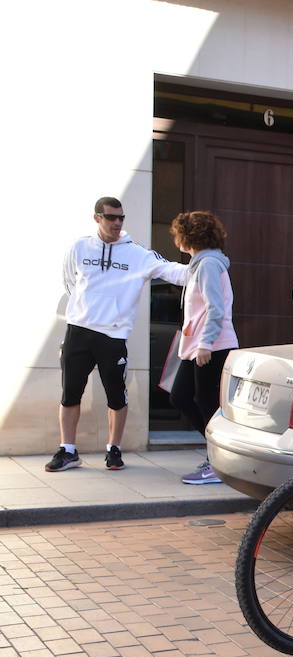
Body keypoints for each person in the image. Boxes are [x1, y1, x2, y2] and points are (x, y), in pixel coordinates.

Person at [51, 197, 188, 471]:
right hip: (78, 331)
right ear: (97, 218)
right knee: (70, 393)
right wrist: (85, 311)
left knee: (117, 395)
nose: (116, 223)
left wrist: (207, 263)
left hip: (112, 337)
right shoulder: (79, 247)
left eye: (120, 218)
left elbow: (175, 272)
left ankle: (114, 449)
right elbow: (70, 284)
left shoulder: (136, 254)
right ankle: (68, 450)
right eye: (110, 217)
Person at [165, 211, 238, 485]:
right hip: (198, 346)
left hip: (211, 346)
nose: (176, 239)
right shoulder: (201, 263)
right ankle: (217, 456)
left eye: (177, 234)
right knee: (180, 396)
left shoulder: (207, 264)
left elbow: (215, 308)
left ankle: (218, 462)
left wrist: (206, 344)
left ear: (189, 236)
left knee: (206, 404)